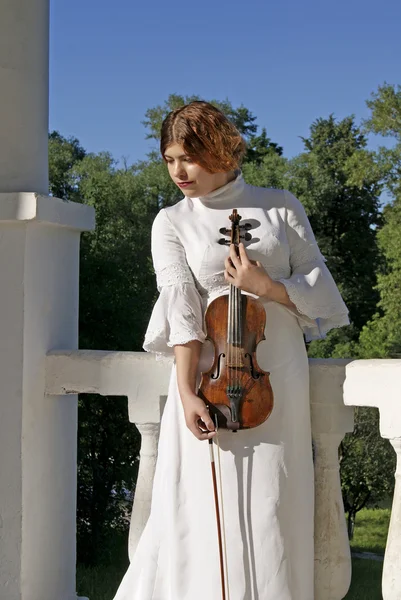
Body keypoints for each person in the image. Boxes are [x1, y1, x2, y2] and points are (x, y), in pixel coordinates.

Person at [113, 101, 349, 600]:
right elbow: (181, 313)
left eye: (189, 157)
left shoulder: (281, 205)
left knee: (273, 505)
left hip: (275, 373)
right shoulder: (170, 221)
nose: (178, 171)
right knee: (202, 513)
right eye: (169, 159)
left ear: (220, 149)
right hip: (209, 381)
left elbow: (320, 288)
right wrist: (187, 394)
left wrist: (267, 285)